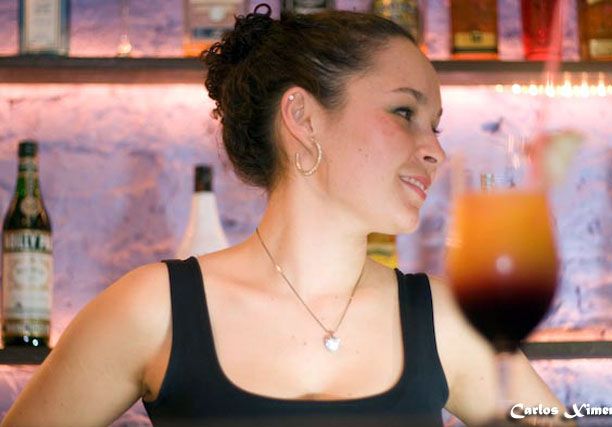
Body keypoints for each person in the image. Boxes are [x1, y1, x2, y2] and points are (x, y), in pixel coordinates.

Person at [2, 5, 574, 427]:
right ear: (302, 116)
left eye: (436, 127)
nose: (436, 152)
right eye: (404, 112)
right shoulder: (155, 308)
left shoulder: (444, 318)